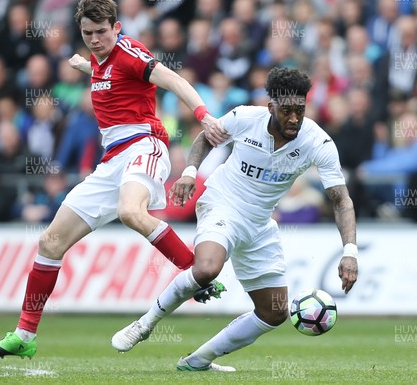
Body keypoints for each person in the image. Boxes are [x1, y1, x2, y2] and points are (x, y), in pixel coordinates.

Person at [0, 0, 227, 360]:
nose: (95, 40)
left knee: (131, 212)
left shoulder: (130, 53)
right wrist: (86, 66)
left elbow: (173, 80)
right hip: (111, 163)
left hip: (145, 146)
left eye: (101, 32)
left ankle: (195, 273)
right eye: (87, 33)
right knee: (49, 243)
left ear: (117, 28)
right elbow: (108, 75)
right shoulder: (99, 60)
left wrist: (204, 115)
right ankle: (24, 335)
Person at [111, 67, 359, 372]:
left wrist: (349, 252)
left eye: (300, 110)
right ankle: (145, 324)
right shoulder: (244, 118)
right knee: (207, 269)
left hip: (259, 223)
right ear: (271, 107)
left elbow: (341, 200)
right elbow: (206, 137)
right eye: (287, 111)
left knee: (274, 312)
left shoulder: (317, 142)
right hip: (223, 204)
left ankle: (198, 360)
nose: (294, 118)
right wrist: (190, 172)